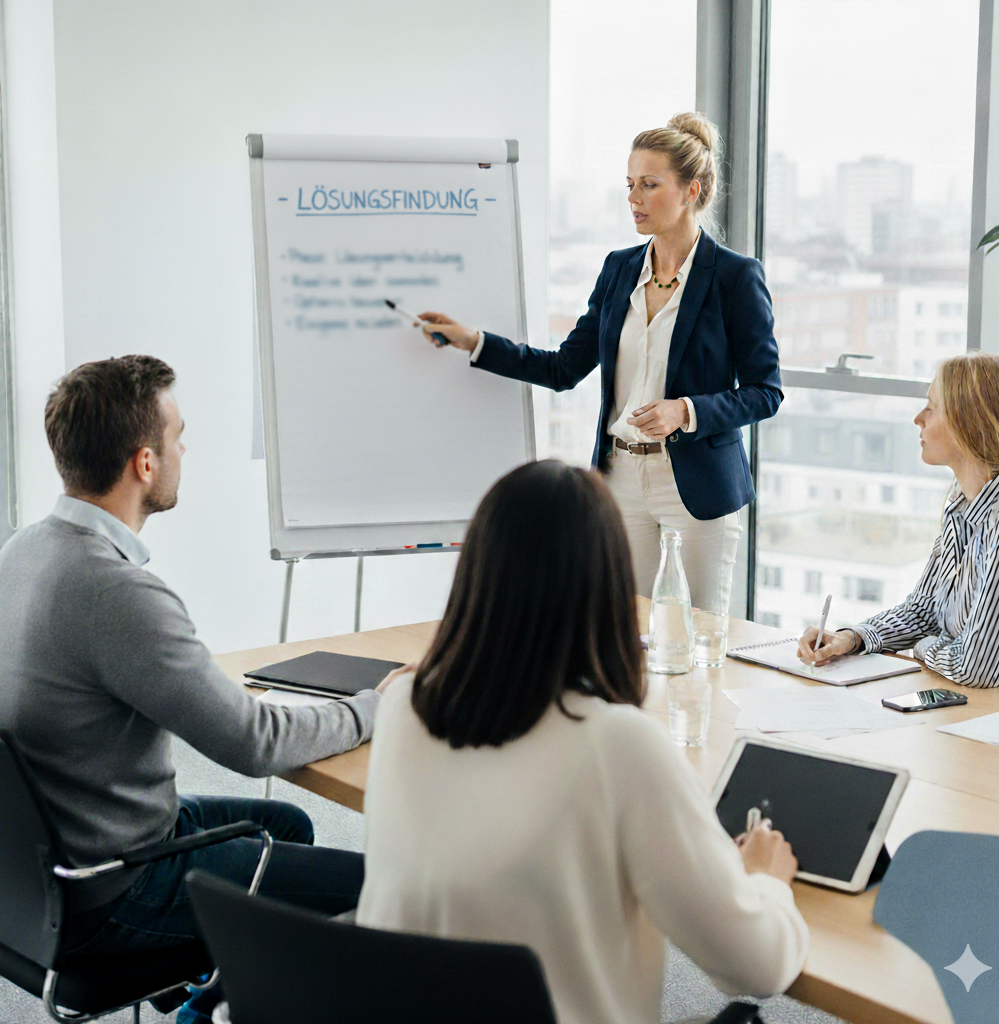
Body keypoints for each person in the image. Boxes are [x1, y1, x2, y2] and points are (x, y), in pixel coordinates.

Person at [0, 356, 398, 1019]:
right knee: (379, 891)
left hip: (41, 871)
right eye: (178, 434)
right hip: (113, 885)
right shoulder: (116, 592)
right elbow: (252, 741)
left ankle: (208, 996)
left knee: (288, 824)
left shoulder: (23, 549)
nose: (186, 448)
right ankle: (216, 998)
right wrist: (374, 707)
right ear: (145, 464)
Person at [356, 460, 808, 1024]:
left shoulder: (401, 707)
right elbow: (755, 967)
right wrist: (765, 882)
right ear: (608, 588)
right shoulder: (619, 746)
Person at [415, 112, 782, 611]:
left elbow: (766, 391)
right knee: (626, 633)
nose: (634, 198)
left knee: (698, 635)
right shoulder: (619, 269)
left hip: (695, 486)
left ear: (691, 190)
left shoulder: (735, 277)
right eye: (630, 184)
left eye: (649, 185)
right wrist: (474, 341)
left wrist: (686, 412)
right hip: (622, 480)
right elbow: (564, 368)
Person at [798, 352, 999, 688]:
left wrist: (922, 648)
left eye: (932, 407)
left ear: (970, 421)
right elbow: (924, 611)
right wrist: (851, 638)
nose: (918, 418)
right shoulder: (965, 505)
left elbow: (977, 668)